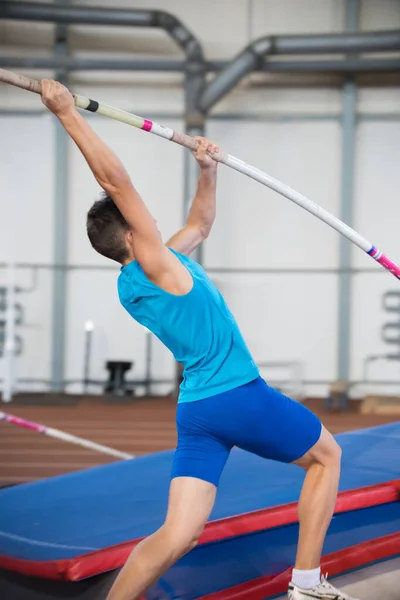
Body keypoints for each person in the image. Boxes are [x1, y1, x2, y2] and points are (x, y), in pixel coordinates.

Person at [40, 79, 357, 600]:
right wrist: (66, 113)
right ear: (131, 237)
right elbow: (117, 181)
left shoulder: (145, 278)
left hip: (198, 411)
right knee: (327, 457)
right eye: (144, 222)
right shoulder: (157, 264)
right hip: (237, 395)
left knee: (178, 534)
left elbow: (201, 225)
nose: (155, 221)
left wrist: (207, 170)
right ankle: (305, 584)